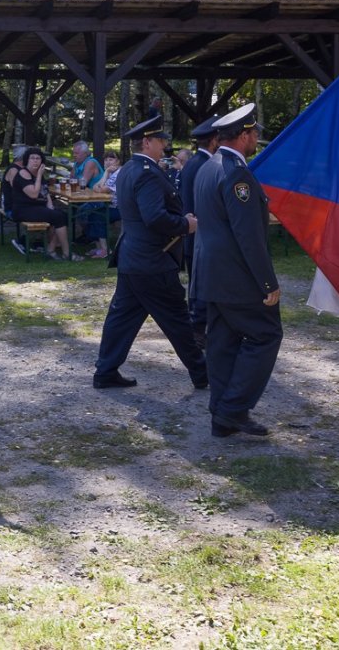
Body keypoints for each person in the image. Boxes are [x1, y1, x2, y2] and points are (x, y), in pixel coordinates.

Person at [92, 115, 207, 391]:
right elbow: (154, 217)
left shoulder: (130, 169)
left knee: (121, 319)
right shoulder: (146, 172)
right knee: (177, 319)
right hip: (152, 261)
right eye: (160, 140)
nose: (164, 145)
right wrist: (186, 225)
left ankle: (106, 371)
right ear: (146, 142)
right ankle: (203, 374)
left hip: (134, 258)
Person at [193, 103, 281, 439]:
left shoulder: (208, 166)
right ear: (244, 135)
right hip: (237, 276)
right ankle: (233, 408)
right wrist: (267, 282)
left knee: (223, 343)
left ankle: (222, 416)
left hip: (213, 273)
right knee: (265, 335)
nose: (257, 138)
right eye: (254, 133)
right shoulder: (236, 174)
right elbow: (248, 235)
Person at [178, 114, 221, 349]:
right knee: (202, 285)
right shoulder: (206, 164)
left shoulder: (193, 163)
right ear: (214, 141)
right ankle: (197, 330)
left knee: (197, 285)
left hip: (193, 234)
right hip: (202, 234)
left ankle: (197, 328)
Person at [3, 147, 72, 260]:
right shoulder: (23, 173)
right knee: (58, 217)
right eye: (32, 158)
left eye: (38, 158)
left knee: (65, 216)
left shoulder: (37, 173)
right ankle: (67, 253)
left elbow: (45, 191)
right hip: (23, 210)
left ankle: (51, 249)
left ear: (42, 161)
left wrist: (50, 205)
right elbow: (34, 194)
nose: (35, 161)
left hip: (37, 207)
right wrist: (39, 175)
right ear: (27, 160)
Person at [69, 140, 111, 259]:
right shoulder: (77, 163)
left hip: (100, 198)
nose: (74, 155)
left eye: (76, 153)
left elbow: (83, 182)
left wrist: (74, 180)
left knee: (84, 211)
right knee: (76, 209)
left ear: (85, 153)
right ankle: (91, 238)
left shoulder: (90, 162)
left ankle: (91, 238)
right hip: (89, 197)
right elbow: (71, 179)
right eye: (73, 153)